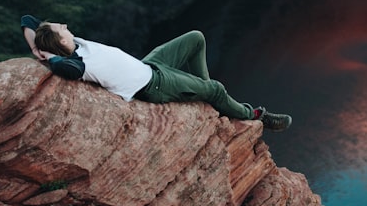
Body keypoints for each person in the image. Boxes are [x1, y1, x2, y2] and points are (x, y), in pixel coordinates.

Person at [20, 15, 292, 131]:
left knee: (196, 38)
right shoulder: (77, 64)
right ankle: (255, 116)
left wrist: (36, 48)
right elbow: (63, 68)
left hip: (150, 64)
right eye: (61, 28)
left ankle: (203, 92)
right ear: (60, 42)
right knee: (218, 89)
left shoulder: (76, 44)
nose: (66, 25)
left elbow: (27, 20)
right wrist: (50, 57)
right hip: (154, 85)